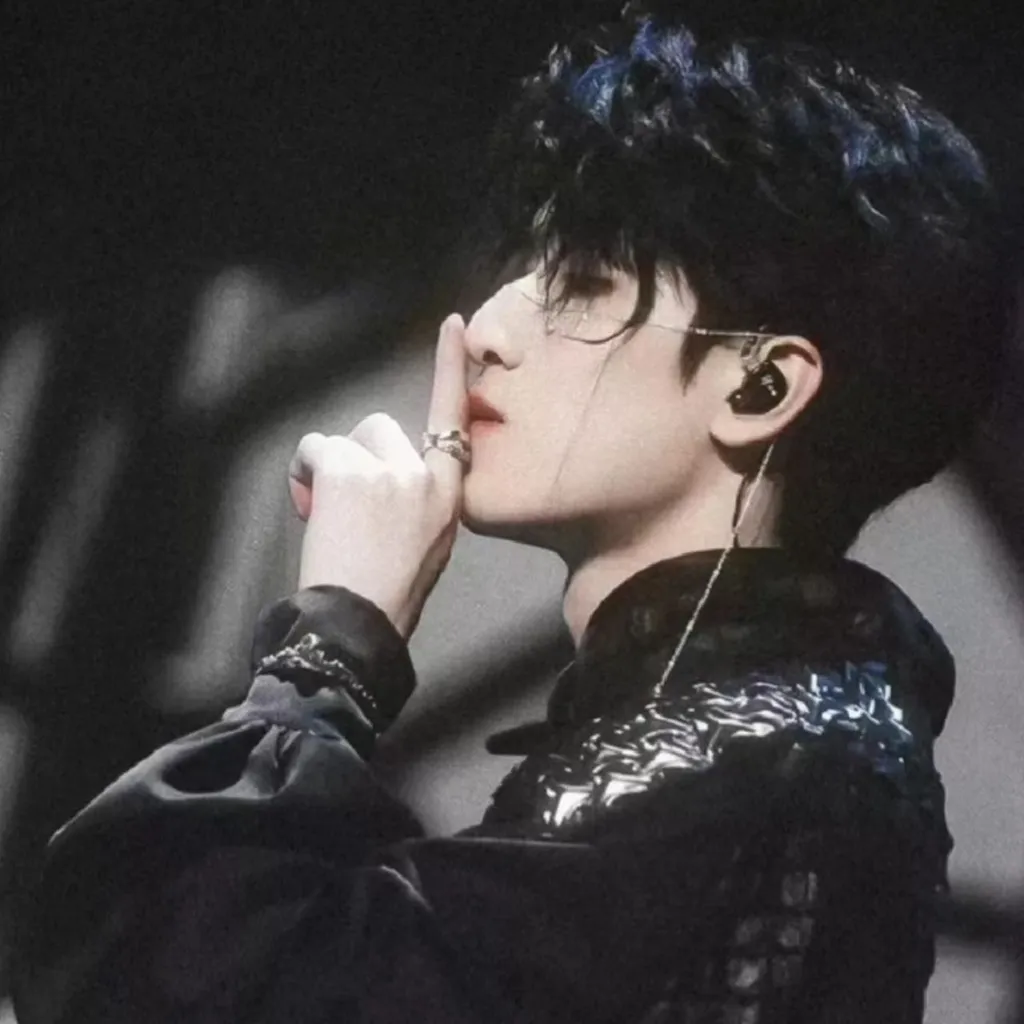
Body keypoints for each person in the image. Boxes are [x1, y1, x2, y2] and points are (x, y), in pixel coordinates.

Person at [12, 6, 1011, 1023]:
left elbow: (161, 980)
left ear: (759, 387)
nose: (485, 328)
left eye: (581, 284)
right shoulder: (758, 742)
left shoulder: (759, 766)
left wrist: (333, 644)